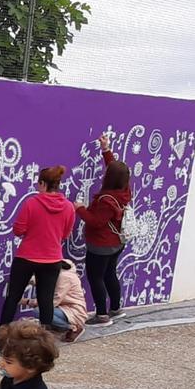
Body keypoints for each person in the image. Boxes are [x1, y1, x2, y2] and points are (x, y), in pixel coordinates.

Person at [0, 166, 75, 346]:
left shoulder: (32, 203)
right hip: (52, 258)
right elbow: (66, 234)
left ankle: (1, 335)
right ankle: (44, 341)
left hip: (27, 256)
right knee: (46, 300)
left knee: (13, 296)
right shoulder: (69, 207)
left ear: (43, 184)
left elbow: (18, 229)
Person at [75, 135, 131, 325]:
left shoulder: (106, 199)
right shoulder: (124, 190)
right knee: (110, 274)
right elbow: (115, 169)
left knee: (96, 277)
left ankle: (101, 315)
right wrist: (106, 150)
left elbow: (96, 222)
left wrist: (79, 208)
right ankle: (115, 308)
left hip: (101, 244)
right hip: (116, 243)